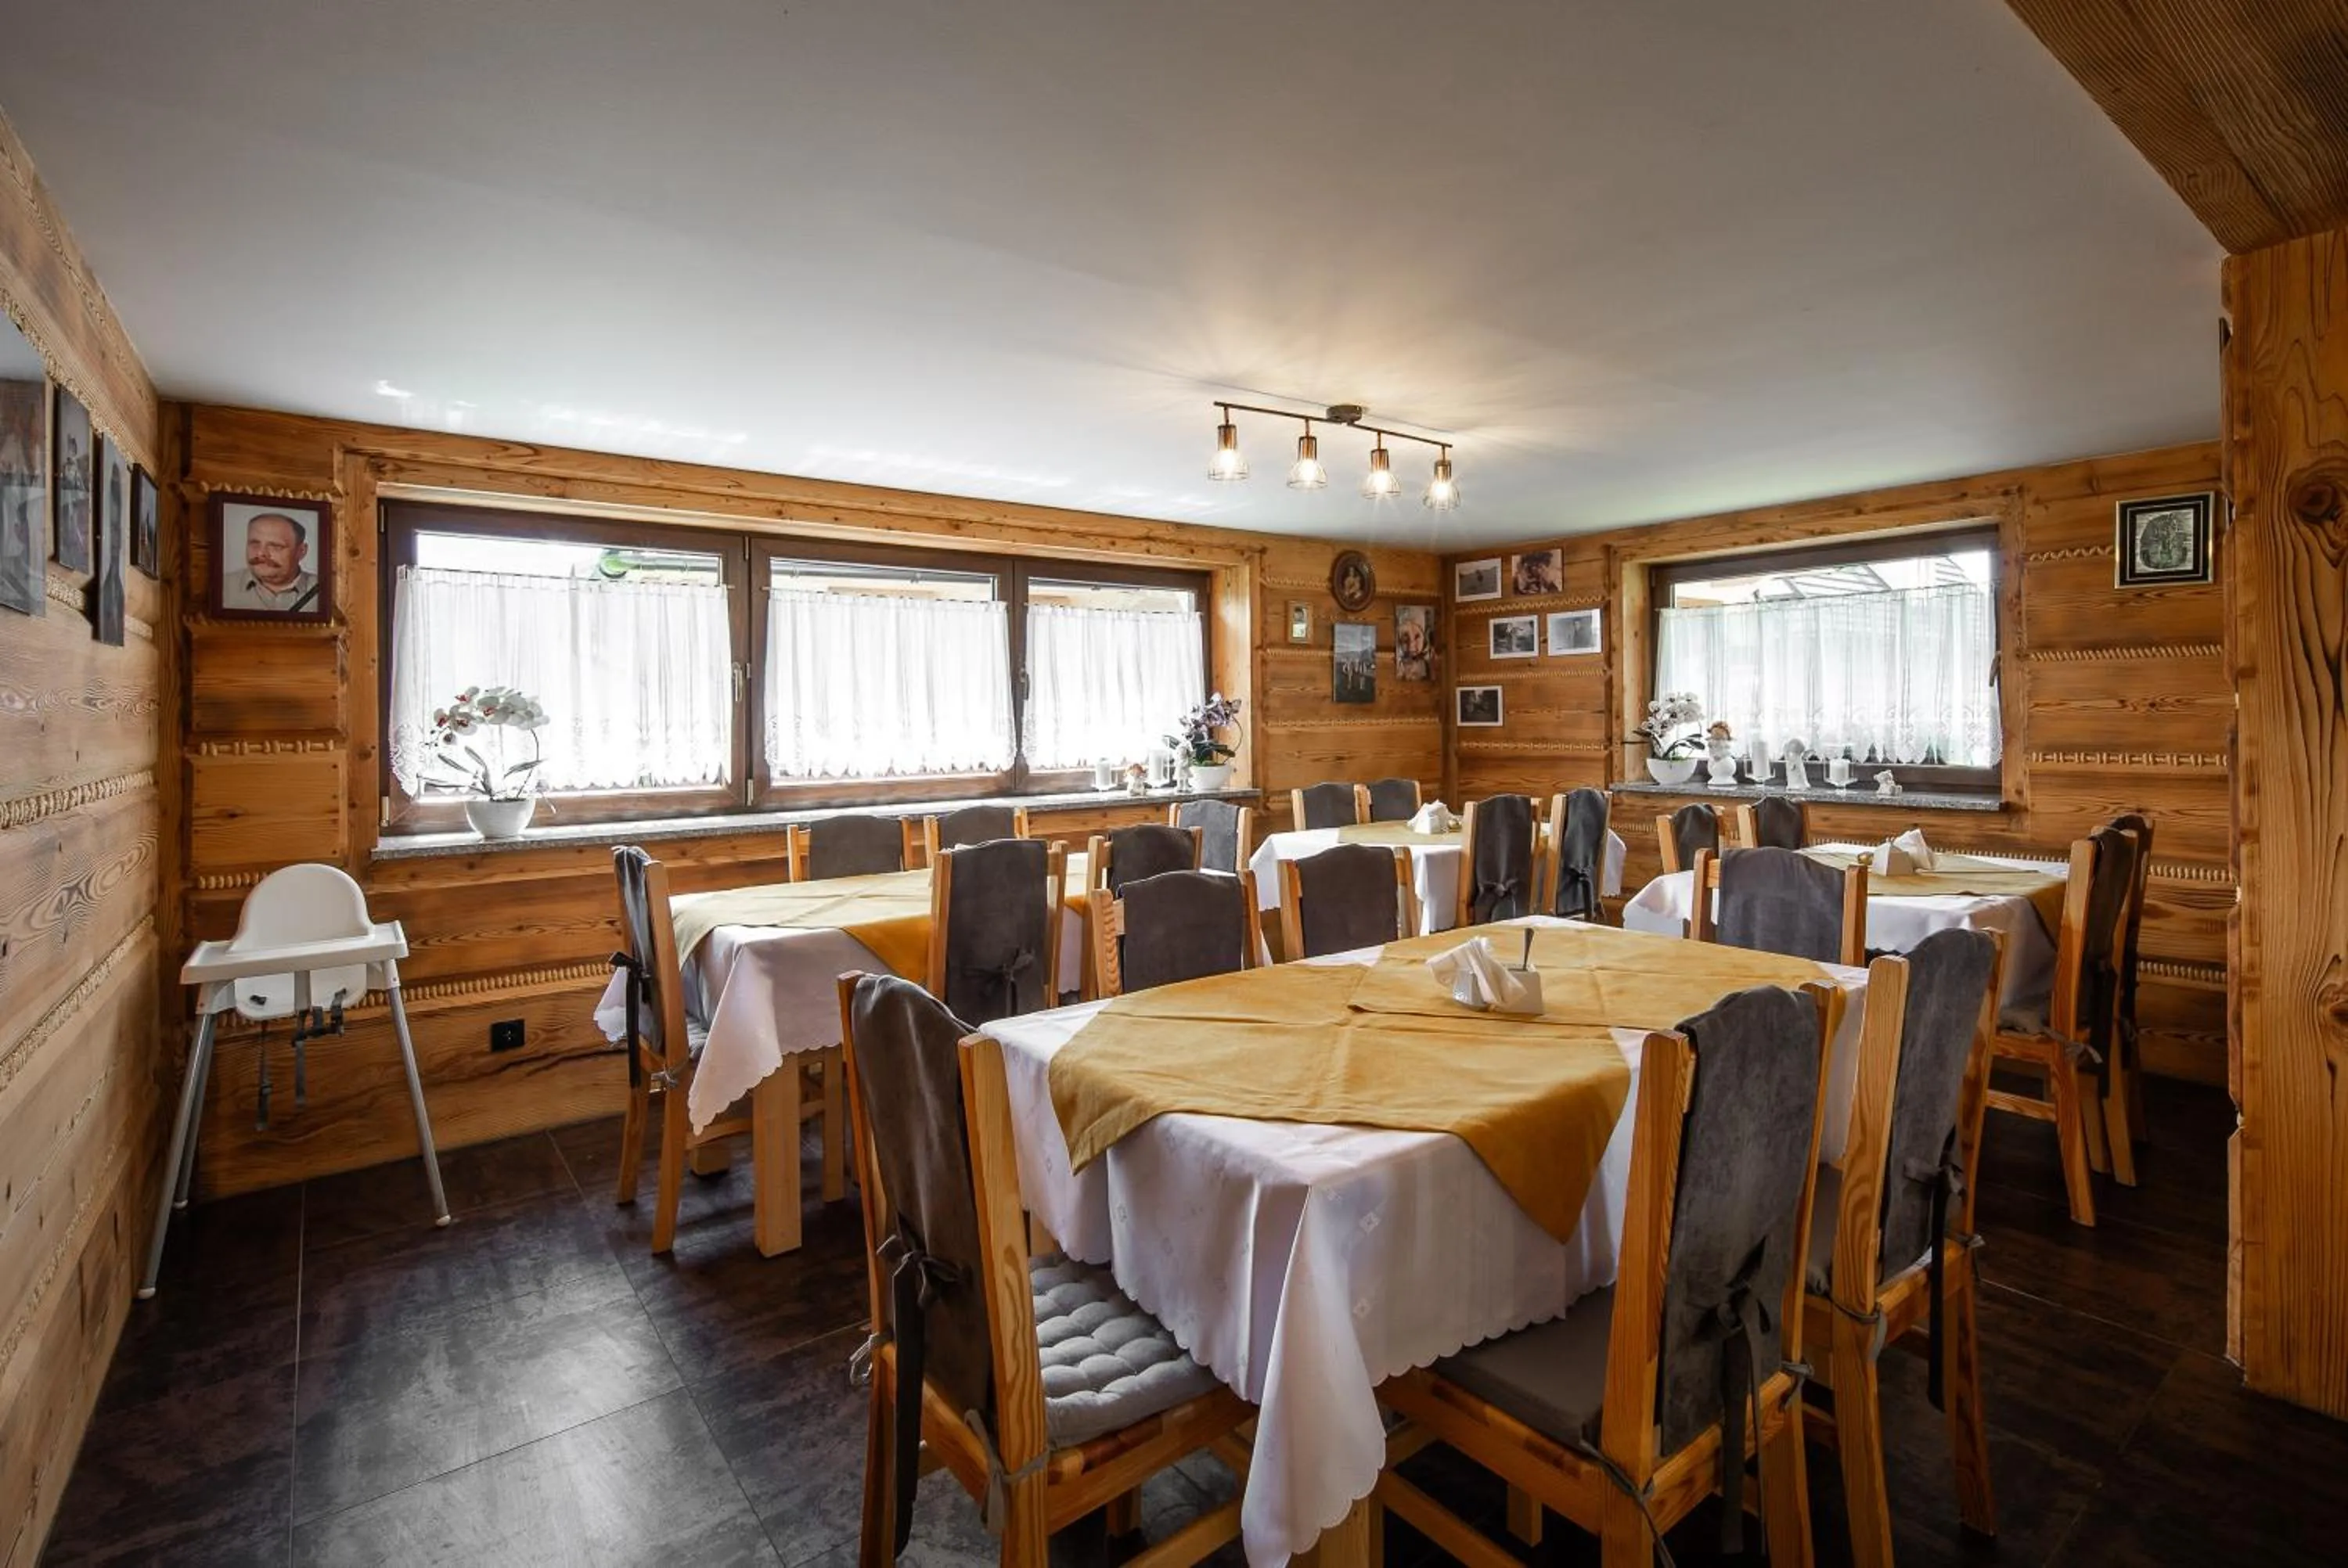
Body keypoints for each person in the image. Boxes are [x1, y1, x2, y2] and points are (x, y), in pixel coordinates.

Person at [224, 509, 319, 612]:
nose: (261, 553)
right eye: (254, 544)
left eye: (275, 546)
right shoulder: (224, 586)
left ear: (301, 551)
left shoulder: (325, 593)